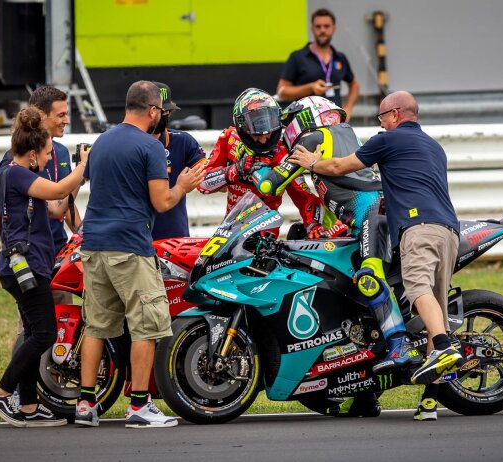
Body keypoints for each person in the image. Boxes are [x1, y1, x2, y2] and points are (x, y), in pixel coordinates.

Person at [288, 90, 463, 421]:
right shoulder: (434, 147)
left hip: (417, 227)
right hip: (449, 230)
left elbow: (342, 165)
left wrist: (311, 163)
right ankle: (430, 401)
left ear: (395, 115)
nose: (380, 123)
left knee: (418, 290)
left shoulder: (389, 140)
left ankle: (441, 345)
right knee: (434, 312)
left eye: (382, 117)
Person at [75, 81, 205, 429]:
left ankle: (86, 404)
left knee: (97, 326)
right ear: (151, 111)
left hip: (93, 246)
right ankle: (139, 405)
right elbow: (162, 202)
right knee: (147, 325)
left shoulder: (101, 142)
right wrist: (183, 185)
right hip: (130, 247)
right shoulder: (149, 147)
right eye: (160, 112)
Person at [0, 106, 88, 427]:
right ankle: (2, 393)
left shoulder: (23, 177)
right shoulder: (16, 173)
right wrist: (85, 167)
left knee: (34, 332)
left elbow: (59, 206)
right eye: (45, 154)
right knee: (44, 334)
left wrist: (77, 181)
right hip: (25, 268)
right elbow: (57, 190)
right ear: (31, 153)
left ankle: (29, 406)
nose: (48, 159)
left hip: (29, 267)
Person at [198, 88, 325, 238]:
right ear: (242, 127)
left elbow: (304, 196)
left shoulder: (284, 152)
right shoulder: (229, 138)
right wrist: (236, 170)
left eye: (269, 132)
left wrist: (313, 224)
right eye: (257, 134)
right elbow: (202, 183)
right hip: (230, 228)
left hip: (265, 233)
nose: (264, 139)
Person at [0, 86, 82, 257]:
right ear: (41, 115)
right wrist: (12, 254)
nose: (66, 120)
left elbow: (65, 205)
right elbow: (1, 212)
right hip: (30, 250)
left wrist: (82, 235)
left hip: (58, 247)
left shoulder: (61, 151)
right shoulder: (15, 158)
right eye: (61, 115)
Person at [277, 8, 360, 121]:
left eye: (326, 26)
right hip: (305, 123)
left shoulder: (340, 57)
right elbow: (282, 92)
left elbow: (354, 84)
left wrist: (348, 108)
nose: (322, 30)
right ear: (312, 29)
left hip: (335, 122)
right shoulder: (298, 57)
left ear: (334, 28)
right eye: (318, 26)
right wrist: (310, 87)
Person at [149, 81, 206, 240]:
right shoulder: (127, 143)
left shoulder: (183, 141)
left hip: (176, 240)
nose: (165, 115)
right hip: (138, 242)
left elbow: (207, 177)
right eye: (162, 111)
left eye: (167, 111)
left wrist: (228, 173)